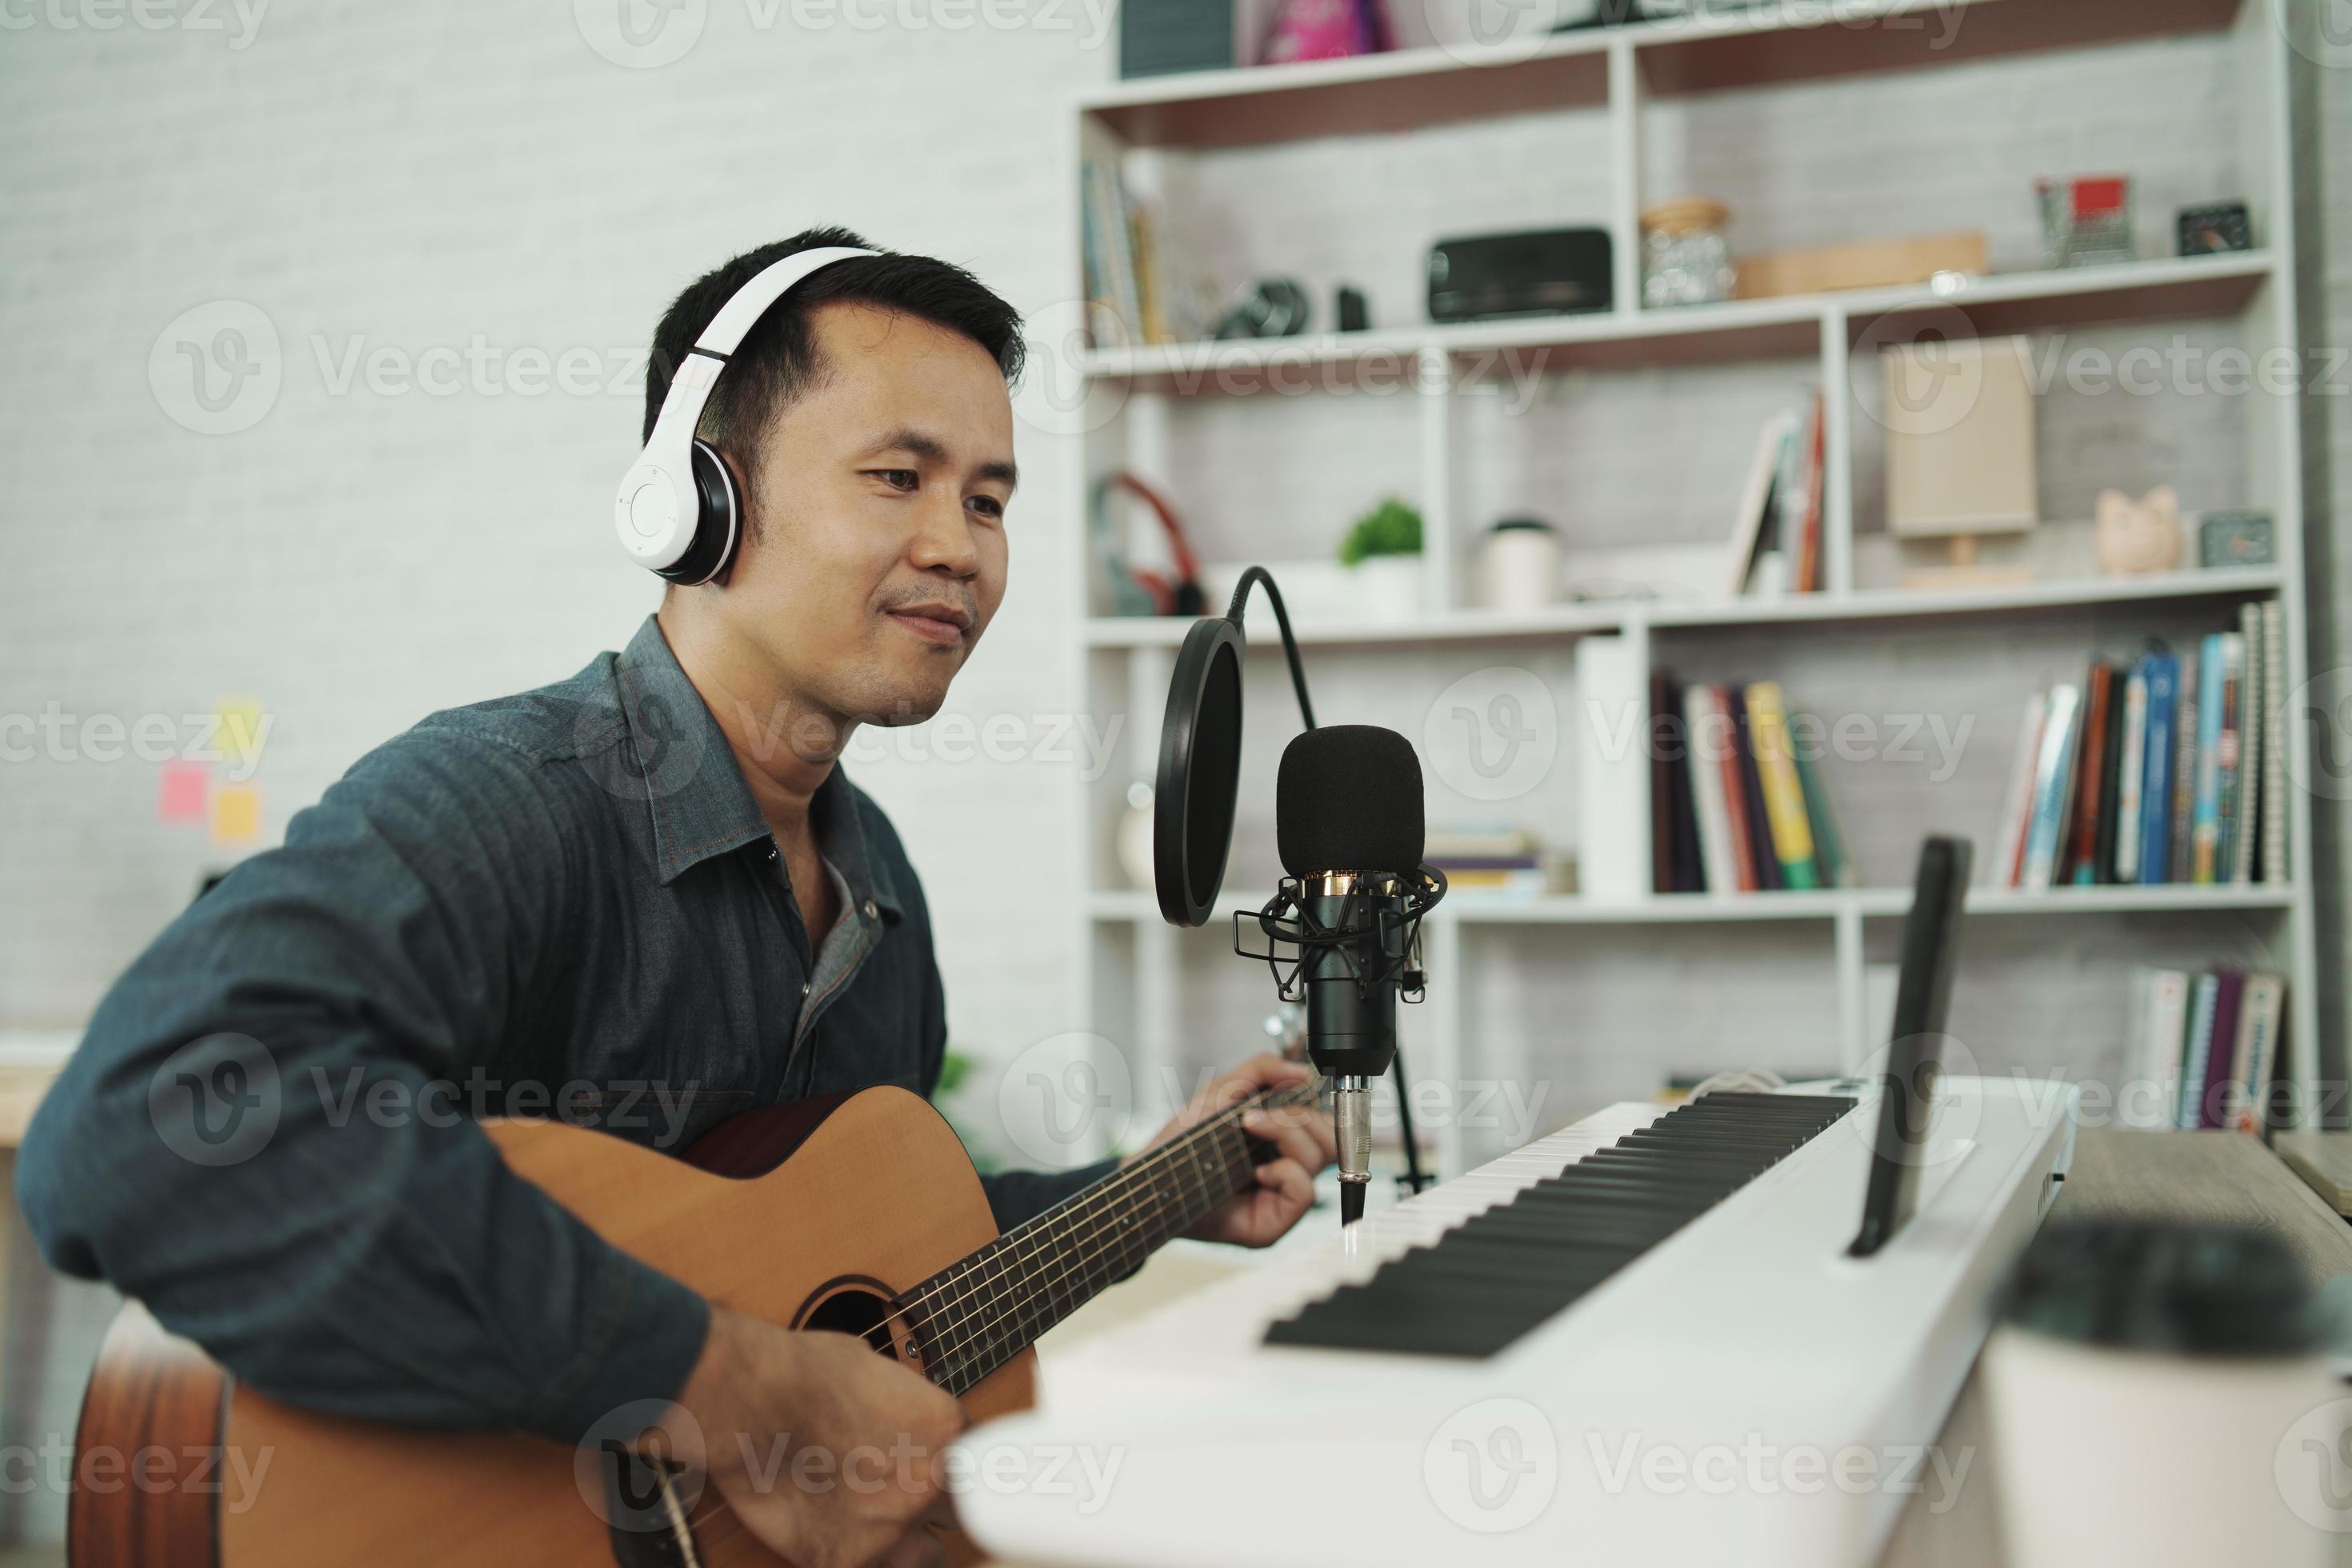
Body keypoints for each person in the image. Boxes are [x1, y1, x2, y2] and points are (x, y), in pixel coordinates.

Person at [18, 229, 1335, 1568]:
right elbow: (141, 1126)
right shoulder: (504, 802)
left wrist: (1157, 1186)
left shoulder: (879, 886)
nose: (958, 546)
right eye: (899, 478)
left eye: (990, 502)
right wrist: (736, 1393)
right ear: (699, 498)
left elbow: (871, 1273)